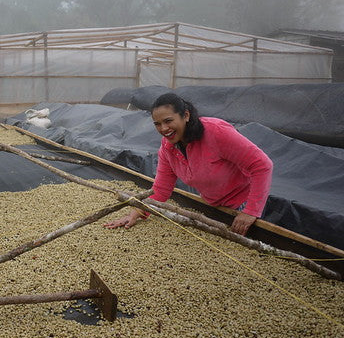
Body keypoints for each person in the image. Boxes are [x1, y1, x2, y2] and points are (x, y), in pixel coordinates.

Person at [104, 93, 273, 235]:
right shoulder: (168, 147)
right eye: (157, 124)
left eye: (168, 121)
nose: (163, 128)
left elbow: (262, 165)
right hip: (214, 206)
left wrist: (250, 212)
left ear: (186, 116)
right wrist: (137, 212)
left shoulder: (216, 132)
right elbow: (161, 189)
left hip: (243, 205)